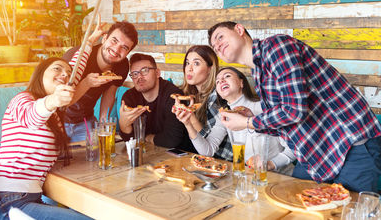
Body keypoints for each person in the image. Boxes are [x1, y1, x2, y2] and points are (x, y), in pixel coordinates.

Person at [208, 21, 381, 192]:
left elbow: (294, 111)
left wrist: (249, 123)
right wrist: (250, 116)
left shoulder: (276, 46)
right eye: (215, 47)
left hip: (351, 145)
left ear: (239, 29)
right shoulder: (259, 73)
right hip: (320, 155)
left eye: (220, 37)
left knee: (353, 212)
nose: (217, 45)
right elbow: (286, 123)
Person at [0, 58, 92, 220]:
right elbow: (31, 117)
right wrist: (53, 100)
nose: (64, 75)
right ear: (40, 74)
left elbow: (72, 76)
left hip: (29, 198)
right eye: (57, 69)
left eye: (68, 73)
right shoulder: (23, 100)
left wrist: (89, 43)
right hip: (7, 202)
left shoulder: (54, 114)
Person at [62, 19, 138, 142]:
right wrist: (87, 83)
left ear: (128, 52)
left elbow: (110, 93)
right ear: (104, 38)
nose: (116, 50)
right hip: (59, 121)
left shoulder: (122, 66)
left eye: (124, 48)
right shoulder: (77, 56)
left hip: (85, 121)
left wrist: (104, 123)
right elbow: (62, 102)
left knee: (95, 157)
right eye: (114, 41)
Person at [118, 53, 195, 152]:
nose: (139, 77)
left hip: (177, 156)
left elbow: (172, 140)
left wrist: (147, 138)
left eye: (145, 71)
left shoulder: (173, 96)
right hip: (147, 154)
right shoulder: (129, 97)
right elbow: (129, 141)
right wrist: (124, 126)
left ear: (157, 73)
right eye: (135, 74)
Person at [172, 45, 235, 160]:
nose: (189, 68)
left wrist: (190, 116)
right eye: (187, 63)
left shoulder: (217, 99)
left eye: (196, 63)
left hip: (224, 161)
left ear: (210, 69)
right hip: (202, 159)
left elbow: (208, 145)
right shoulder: (189, 95)